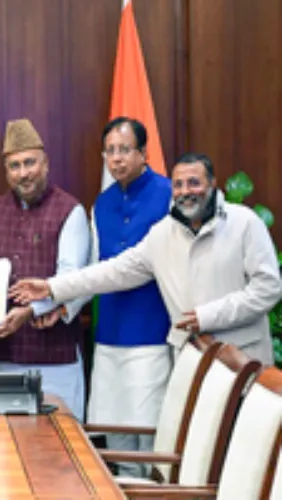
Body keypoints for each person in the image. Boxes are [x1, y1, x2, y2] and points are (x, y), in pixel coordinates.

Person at [10, 152, 281, 367]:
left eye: (194, 183)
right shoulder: (163, 233)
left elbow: (268, 289)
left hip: (243, 363)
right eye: (178, 184)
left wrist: (207, 317)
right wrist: (51, 288)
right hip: (192, 362)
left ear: (212, 184)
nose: (186, 191)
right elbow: (114, 271)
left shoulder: (244, 222)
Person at [0, 119, 90, 421]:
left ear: (46, 164)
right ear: (6, 172)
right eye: (14, 166)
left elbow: (72, 279)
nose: (23, 173)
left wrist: (31, 310)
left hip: (57, 361)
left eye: (30, 163)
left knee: (62, 452)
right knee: (9, 451)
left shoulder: (70, 210)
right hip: (7, 357)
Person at [89, 117, 173, 477]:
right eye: (110, 151)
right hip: (109, 334)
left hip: (150, 332)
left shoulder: (170, 194)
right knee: (116, 431)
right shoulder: (102, 203)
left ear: (144, 153)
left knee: (148, 431)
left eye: (125, 150)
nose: (117, 159)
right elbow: (93, 266)